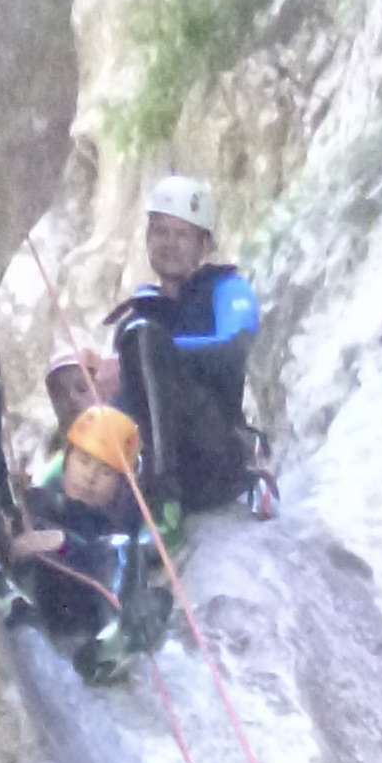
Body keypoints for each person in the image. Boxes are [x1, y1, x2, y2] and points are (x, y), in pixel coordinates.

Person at [0, 358, 171, 681]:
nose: (90, 477)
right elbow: (16, 510)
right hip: (36, 590)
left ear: (120, 487)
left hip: (81, 604)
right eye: (83, 461)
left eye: (105, 472)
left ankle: (112, 640)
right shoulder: (43, 500)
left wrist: (64, 544)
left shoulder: (112, 525)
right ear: (67, 461)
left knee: (126, 553)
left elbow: (128, 549)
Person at [109, 176, 271, 523]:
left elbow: (234, 348)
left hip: (213, 453)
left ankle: (162, 501)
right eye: (160, 232)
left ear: (205, 244)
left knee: (142, 337)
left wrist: (158, 350)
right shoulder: (139, 315)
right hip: (151, 452)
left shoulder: (228, 289)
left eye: (182, 234)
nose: (169, 243)